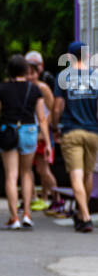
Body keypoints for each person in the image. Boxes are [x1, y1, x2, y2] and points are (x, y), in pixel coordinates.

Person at [0, 53, 51, 229]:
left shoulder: (2, 88)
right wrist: (47, 142)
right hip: (29, 131)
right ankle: (27, 215)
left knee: (11, 176)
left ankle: (14, 217)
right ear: (26, 70)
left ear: (9, 70)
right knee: (26, 173)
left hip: (8, 131)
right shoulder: (34, 89)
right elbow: (42, 118)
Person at [52, 40, 98, 233]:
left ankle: (85, 217)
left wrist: (55, 126)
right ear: (87, 56)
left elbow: (57, 107)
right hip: (92, 132)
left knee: (76, 176)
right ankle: (81, 213)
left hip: (72, 131)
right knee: (88, 175)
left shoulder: (63, 76)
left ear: (70, 57)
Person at [24, 51, 60, 213]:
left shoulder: (43, 88)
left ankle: (56, 198)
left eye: (32, 73)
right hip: (29, 130)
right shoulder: (25, 88)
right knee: (26, 168)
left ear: (38, 73)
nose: (29, 77)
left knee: (43, 169)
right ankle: (32, 198)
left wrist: (47, 128)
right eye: (27, 73)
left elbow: (53, 109)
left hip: (41, 132)